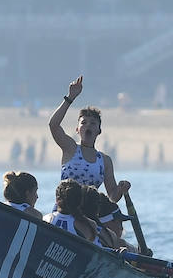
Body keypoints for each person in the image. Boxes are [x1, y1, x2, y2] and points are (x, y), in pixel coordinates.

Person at [49, 75, 131, 237]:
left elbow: (112, 197)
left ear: (98, 131)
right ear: (77, 130)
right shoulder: (70, 148)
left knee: (115, 239)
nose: (88, 126)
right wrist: (70, 98)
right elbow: (53, 125)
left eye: (93, 123)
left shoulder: (104, 160)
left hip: (90, 217)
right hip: (64, 213)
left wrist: (121, 188)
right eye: (83, 123)